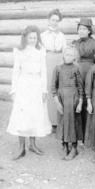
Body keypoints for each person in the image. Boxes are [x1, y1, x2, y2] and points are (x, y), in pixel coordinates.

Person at [7, 25, 51, 160]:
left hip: (36, 84)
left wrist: (44, 90)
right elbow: (16, 71)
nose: (33, 40)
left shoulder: (41, 50)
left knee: (35, 113)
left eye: (35, 37)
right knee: (22, 114)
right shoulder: (19, 51)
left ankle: (32, 144)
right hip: (23, 84)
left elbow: (44, 71)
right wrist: (14, 90)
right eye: (30, 37)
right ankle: (21, 147)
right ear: (25, 38)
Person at [51, 46, 84, 160]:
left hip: (73, 98)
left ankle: (74, 148)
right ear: (63, 55)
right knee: (63, 122)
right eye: (66, 54)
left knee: (74, 122)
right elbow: (53, 88)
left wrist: (80, 103)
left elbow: (80, 88)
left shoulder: (76, 68)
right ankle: (65, 145)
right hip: (61, 99)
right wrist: (57, 102)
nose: (68, 56)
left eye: (71, 55)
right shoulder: (58, 68)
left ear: (74, 57)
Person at [72, 18, 95, 139]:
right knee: (78, 100)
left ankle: (89, 134)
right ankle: (79, 134)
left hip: (90, 72)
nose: (81, 31)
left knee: (88, 100)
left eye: (84, 29)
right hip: (77, 73)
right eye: (79, 29)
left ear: (89, 30)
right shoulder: (75, 43)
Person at [41, 9, 67, 128]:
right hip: (47, 60)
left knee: (58, 87)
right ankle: (48, 121)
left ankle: (57, 120)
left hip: (59, 60)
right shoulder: (43, 35)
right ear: (48, 20)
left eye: (57, 20)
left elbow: (65, 51)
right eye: (53, 20)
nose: (55, 22)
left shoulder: (61, 35)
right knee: (48, 88)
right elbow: (41, 52)